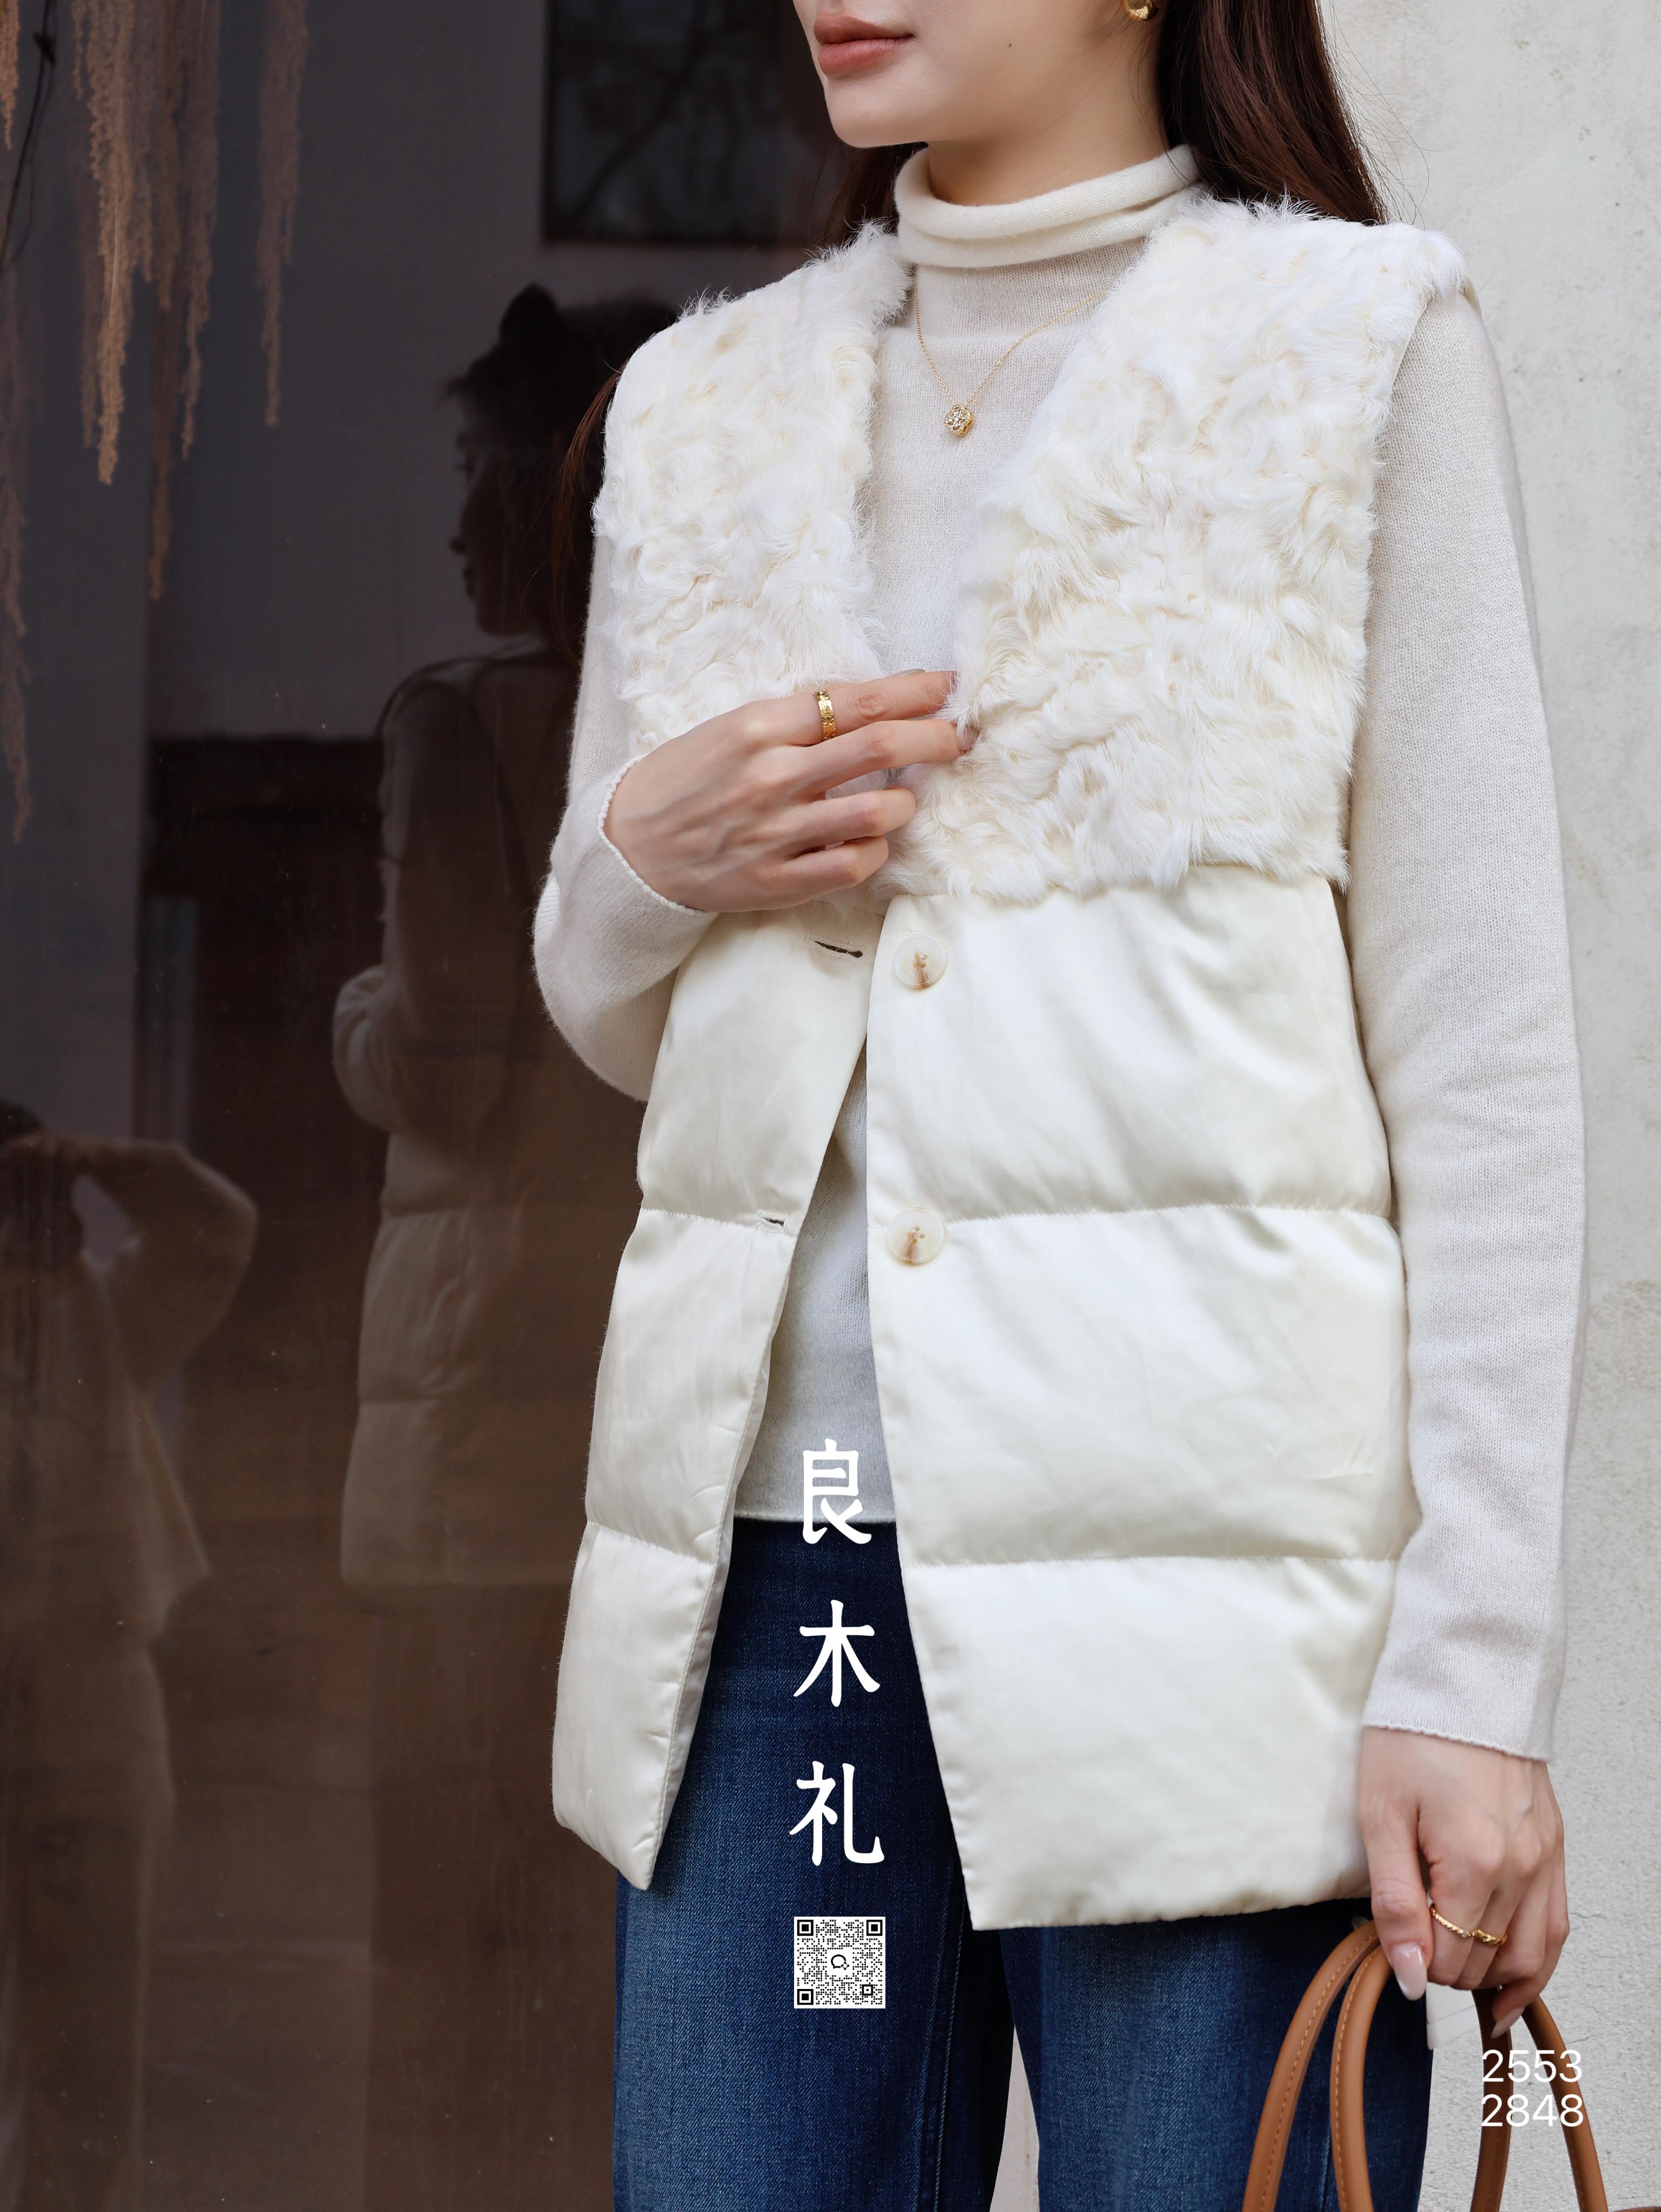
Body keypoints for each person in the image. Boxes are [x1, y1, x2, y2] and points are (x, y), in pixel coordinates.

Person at [532, 4, 1584, 2205]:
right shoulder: (704, 404)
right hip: (783, 1597)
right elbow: (621, 1020)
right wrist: (647, 855)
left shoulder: (1348, 350)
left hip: (1201, 1625)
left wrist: (1467, 1675)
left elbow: (1479, 1057)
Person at [332, 284, 671, 2211]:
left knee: (439, 1928)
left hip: (467, 1426)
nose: (457, 517)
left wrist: (348, 1026)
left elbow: (447, 1056)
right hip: (619, 1405)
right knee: (593, 1926)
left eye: (479, 471)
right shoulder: (679, 733)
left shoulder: (455, 723)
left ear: (552, 494)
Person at [0, 1109, 256, 2211]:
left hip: (93, 1700)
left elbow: (219, 1228)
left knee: (93, 2053)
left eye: (36, 1194)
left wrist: (97, 1165)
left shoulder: (108, 1312)